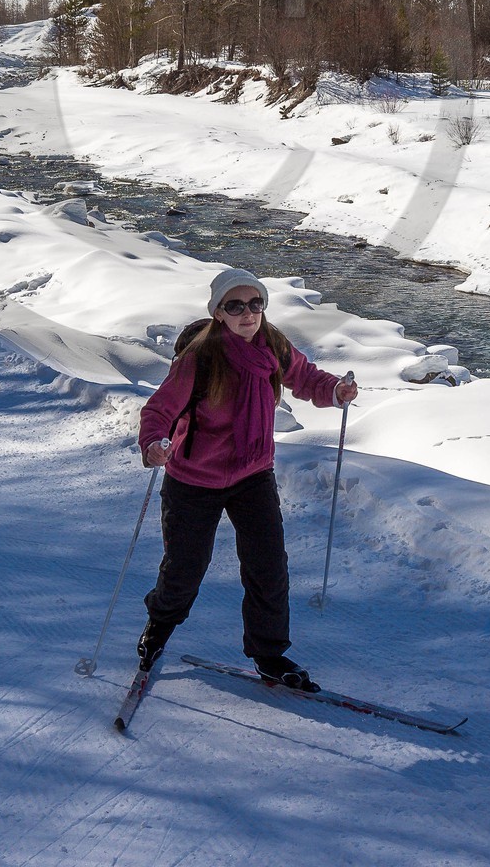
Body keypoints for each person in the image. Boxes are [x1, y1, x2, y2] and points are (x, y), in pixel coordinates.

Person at [136, 268, 358, 690]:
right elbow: (159, 411)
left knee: (268, 566)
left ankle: (269, 654)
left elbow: (306, 378)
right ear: (218, 312)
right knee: (184, 568)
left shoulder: (271, 343)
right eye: (235, 306)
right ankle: (158, 629)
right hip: (193, 479)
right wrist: (154, 444)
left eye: (255, 304)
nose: (248, 313)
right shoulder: (199, 359)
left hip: (253, 474)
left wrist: (335, 390)